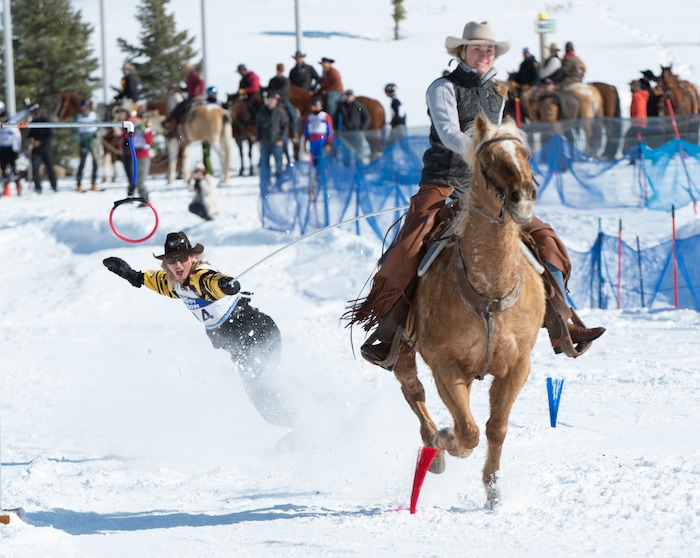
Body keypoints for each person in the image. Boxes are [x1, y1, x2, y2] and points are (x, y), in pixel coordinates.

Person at [345, 21, 605, 369]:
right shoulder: (442, 88)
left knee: (544, 238)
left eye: (489, 49)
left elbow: (502, 132)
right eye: (478, 48)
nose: (485, 54)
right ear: (462, 51)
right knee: (410, 245)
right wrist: (484, 146)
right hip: (442, 181)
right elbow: (449, 133)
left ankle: (565, 321)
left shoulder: (499, 90)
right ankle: (390, 332)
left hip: (485, 185)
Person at [102, 232, 292, 426]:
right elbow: (159, 282)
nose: (177, 265)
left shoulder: (199, 275)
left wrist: (224, 285)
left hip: (257, 333)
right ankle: (301, 420)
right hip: (241, 344)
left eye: (183, 258)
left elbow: (209, 281)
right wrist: (132, 275)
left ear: (193, 258)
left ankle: (304, 419)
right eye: (172, 260)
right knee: (261, 393)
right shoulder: (176, 283)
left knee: (263, 385)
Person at [0, 100, 33, 196]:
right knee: (4, 169)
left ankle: (18, 187)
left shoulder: (11, 120)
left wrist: (28, 110)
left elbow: (21, 114)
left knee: (14, 169)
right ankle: (6, 189)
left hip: (12, 148)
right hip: (2, 148)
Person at [256, 92, 287, 181]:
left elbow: (284, 126)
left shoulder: (280, 112)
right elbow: (258, 127)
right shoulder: (262, 112)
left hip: (276, 142)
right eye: (269, 100)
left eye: (273, 100)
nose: (271, 102)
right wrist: (259, 140)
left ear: (276, 102)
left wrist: (281, 139)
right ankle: (266, 183)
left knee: (278, 164)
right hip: (265, 143)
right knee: (265, 164)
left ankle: (279, 183)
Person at [334, 89, 370, 164]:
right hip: (345, 133)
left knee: (358, 152)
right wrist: (336, 128)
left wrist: (361, 128)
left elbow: (366, 117)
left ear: (353, 96)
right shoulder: (341, 107)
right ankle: (346, 166)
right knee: (346, 152)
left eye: (350, 96)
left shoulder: (358, 106)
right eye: (347, 96)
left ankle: (359, 167)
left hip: (356, 132)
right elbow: (335, 118)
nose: (348, 98)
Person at [27, 104, 58, 194]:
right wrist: (31, 139)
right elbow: (29, 134)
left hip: (46, 148)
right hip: (36, 149)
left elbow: (50, 135)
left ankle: (54, 185)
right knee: (35, 168)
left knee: (49, 167)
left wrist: (40, 142)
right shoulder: (32, 123)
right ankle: (38, 187)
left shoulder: (45, 121)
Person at [168, 61, 205, 132]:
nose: (183, 73)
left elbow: (201, 83)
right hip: (194, 97)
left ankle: (172, 130)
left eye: (184, 70)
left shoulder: (194, 76)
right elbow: (190, 88)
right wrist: (180, 88)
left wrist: (197, 93)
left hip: (193, 98)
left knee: (177, 110)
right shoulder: (192, 76)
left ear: (187, 69)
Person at [125, 112, 154, 202]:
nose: (139, 121)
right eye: (138, 119)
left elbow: (149, 142)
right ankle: (130, 197)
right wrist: (132, 128)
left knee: (140, 180)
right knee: (132, 178)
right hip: (134, 155)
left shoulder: (148, 130)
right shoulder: (134, 129)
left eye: (141, 120)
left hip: (143, 156)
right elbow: (127, 137)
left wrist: (144, 131)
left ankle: (145, 199)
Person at [74, 99, 100, 192]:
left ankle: (94, 182)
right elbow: (74, 131)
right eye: (82, 108)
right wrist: (80, 139)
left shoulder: (94, 116)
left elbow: (101, 127)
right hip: (83, 142)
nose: (84, 110)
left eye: (86, 107)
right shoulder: (78, 117)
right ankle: (79, 183)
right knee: (82, 163)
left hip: (93, 142)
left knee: (95, 162)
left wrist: (97, 135)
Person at [268, 62, 298, 135]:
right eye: (279, 70)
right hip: (272, 100)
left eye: (281, 70)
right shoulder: (272, 80)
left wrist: (278, 94)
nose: (280, 72)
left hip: (283, 99)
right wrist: (274, 94)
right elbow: (269, 90)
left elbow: (284, 90)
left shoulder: (286, 80)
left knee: (291, 113)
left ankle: (295, 130)